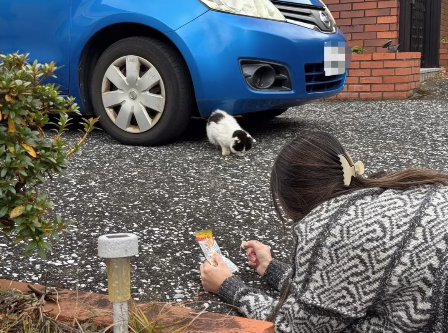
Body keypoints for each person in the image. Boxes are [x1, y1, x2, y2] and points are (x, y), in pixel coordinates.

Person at [200, 131, 448, 333]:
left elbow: (297, 326)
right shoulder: (394, 190)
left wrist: (229, 287)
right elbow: (340, 290)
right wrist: (272, 269)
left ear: (291, 199)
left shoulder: (332, 230)